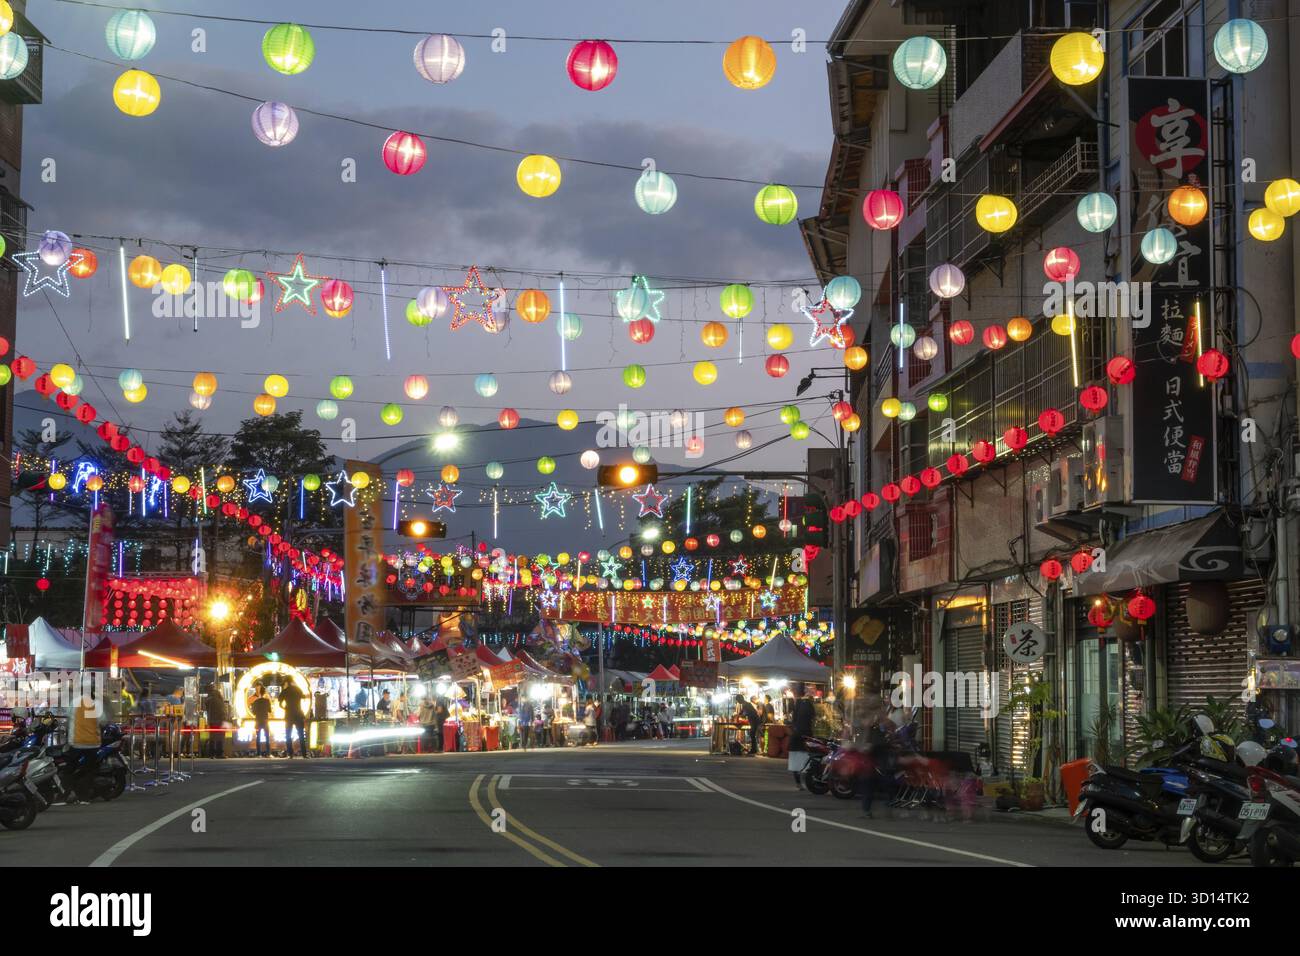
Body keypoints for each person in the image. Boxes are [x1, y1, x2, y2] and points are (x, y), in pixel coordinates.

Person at [787, 683, 816, 788]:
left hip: (798, 736)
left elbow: (794, 720)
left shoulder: (799, 703)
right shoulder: (807, 703)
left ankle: (799, 783)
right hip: (806, 735)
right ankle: (803, 782)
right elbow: (813, 717)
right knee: (807, 760)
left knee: (797, 760)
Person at [278, 677, 309, 759]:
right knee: (301, 734)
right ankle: (304, 754)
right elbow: (304, 697)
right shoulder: (298, 689)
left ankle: (290, 754)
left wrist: (285, 708)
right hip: (298, 713)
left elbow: (280, 704)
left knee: (288, 735)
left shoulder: (285, 691)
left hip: (289, 715)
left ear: (286, 682)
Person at [203, 684, 227, 758]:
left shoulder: (208, 699)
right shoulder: (218, 697)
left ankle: (211, 753)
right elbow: (222, 709)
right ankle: (220, 753)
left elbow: (206, 709)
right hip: (220, 720)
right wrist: (225, 718)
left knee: (212, 737)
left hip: (211, 720)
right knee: (220, 737)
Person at [250, 687, 272, 757]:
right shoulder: (267, 701)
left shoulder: (256, 701)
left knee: (258, 737)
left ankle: (258, 753)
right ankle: (268, 753)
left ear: (259, 693)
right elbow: (270, 710)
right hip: (265, 721)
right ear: (264, 692)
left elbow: (253, 712)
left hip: (258, 721)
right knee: (267, 737)